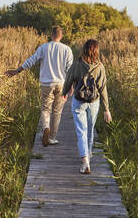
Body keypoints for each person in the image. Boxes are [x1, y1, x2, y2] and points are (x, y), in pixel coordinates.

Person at [6, 26, 74, 147]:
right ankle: (52, 137)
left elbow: (31, 60)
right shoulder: (67, 49)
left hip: (46, 84)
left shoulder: (43, 47)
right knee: (57, 112)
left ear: (51, 35)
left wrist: (17, 70)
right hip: (61, 84)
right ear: (61, 36)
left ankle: (45, 128)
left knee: (45, 109)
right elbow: (70, 69)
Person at [61, 38, 112, 174]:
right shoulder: (100, 67)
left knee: (81, 130)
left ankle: (85, 161)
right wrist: (107, 109)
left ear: (84, 49)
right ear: (96, 51)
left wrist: (64, 93)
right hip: (94, 102)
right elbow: (103, 88)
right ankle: (88, 153)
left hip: (79, 101)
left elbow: (68, 80)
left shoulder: (77, 64)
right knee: (90, 129)